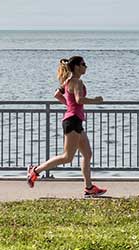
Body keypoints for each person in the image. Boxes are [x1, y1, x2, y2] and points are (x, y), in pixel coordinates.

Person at [27, 56, 107, 197]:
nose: (85, 67)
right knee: (67, 157)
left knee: (87, 154)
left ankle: (89, 188)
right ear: (76, 67)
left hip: (75, 120)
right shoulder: (77, 82)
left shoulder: (67, 81)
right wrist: (96, 100)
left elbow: (57, 95)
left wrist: (70, 107)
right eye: (83, 64)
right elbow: (79, 99)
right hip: (72, 121)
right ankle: (35, 170)